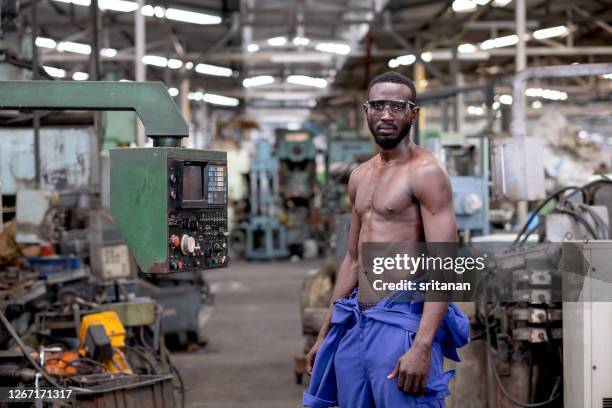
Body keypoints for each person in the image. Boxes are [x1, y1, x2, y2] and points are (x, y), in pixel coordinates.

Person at [303, 71, 469, 408]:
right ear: (366, 111)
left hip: (400, 324)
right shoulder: (360, 176)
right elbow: (353, 259)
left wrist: (422, 345)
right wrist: (326, 332)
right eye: (379, 105)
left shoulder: (425, 172)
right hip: (357, 319)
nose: (387, 115)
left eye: (397, 106)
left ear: (413, 113)